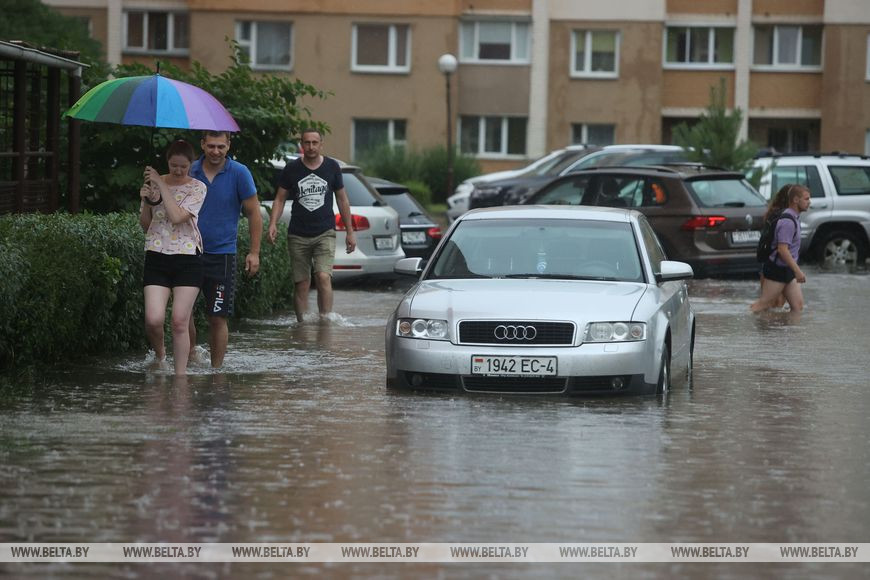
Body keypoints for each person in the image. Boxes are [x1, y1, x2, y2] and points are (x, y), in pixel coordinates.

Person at [189, 131, 262, 367]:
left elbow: (253, 212)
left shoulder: (239, 173)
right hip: (188, 251)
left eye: (221, 146)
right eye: (211, 146)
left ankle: (216, 371)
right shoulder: (190, 170)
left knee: (217, 316)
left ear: (229, 145)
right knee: (182, 314)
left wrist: (254, 252)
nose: (215, 151)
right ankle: (189, 356)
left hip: (222, 255)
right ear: (202, 144)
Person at [267, 129, 356, 322]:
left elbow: (342, 200)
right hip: (298, 234)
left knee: (323, 277)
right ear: (302, 145)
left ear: (321, 144)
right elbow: (280, 199)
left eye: (315, 143)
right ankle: (303, 326)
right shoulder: (292, 168)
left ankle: (325, 321)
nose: (311, 147)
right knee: (302, 283)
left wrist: (350, 231)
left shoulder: (332, 167)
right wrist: (273, 223)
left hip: (325, 231)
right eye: (307, 143)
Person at [139, 139, 207, 376]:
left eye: (183, 166)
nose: (177, 171)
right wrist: (147, 201)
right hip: (157, 255)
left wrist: (161, 185)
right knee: (153, 319)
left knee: (179, 320)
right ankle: (160, 357)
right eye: (173, 165)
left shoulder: (198, 187)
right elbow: (146, 225)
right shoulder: (155, 183)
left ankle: (180, 378)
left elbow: (178, 216)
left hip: (188, 257)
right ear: (167, 162)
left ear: (191, 164)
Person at [751, 184, 811, 313]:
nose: (809, 202)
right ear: (796, 200)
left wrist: (794, 270)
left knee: (797, 307)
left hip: (788, 270)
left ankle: (788, 333)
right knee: (764, 305)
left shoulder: (794, 217)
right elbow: (782, 250)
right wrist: (798, 271)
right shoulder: (787, 221)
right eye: (806, 199)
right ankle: (748, 327)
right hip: (777, 270)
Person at [758, 185, 792, 308]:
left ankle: (767, 326)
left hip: (767, 261)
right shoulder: (784, 217)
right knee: (774, 304)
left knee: (770, 303)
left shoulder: (773, 213)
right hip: (776, 263)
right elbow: (782, 246)